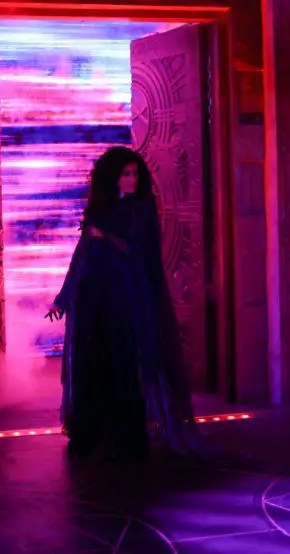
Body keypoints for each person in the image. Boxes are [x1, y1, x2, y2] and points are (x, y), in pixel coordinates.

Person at [46, 146, 197, 460]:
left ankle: (129, 437)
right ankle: (90, 434)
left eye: (135, 173)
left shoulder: (141, 210)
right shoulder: (99, 211)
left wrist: (105, 236)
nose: (132, 179)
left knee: (125, 364)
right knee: (91, 364)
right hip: (93, 300)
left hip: (127, 298)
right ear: (113, 178)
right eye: (126, 174)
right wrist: (63, 298)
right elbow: (81, 256)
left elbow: (138, 251)